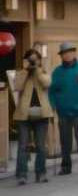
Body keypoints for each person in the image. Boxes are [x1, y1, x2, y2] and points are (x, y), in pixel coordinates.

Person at [13, 49, 53, 185]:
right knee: (23, 145)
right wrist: (25, 70)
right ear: (25, 60)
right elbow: (17, 86)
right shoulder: (21, 73)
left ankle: (41, 173)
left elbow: (47, 83)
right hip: (24, 115)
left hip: (42, 114)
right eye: (30, 59)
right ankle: (21, 175)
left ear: (39, 60)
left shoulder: (43, 72)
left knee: (41, 146)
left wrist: (36, 70)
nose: (32, 62)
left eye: (35, 59)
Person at [49, 42, 78, 175]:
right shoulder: (57, 72)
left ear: (74, 53)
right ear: (61, 56)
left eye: (69, 52)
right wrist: (52, 106)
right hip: (63, 111)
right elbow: (52, 91)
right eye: (64, 53)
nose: (67, 55)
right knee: (65, 141)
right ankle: (66, 166)